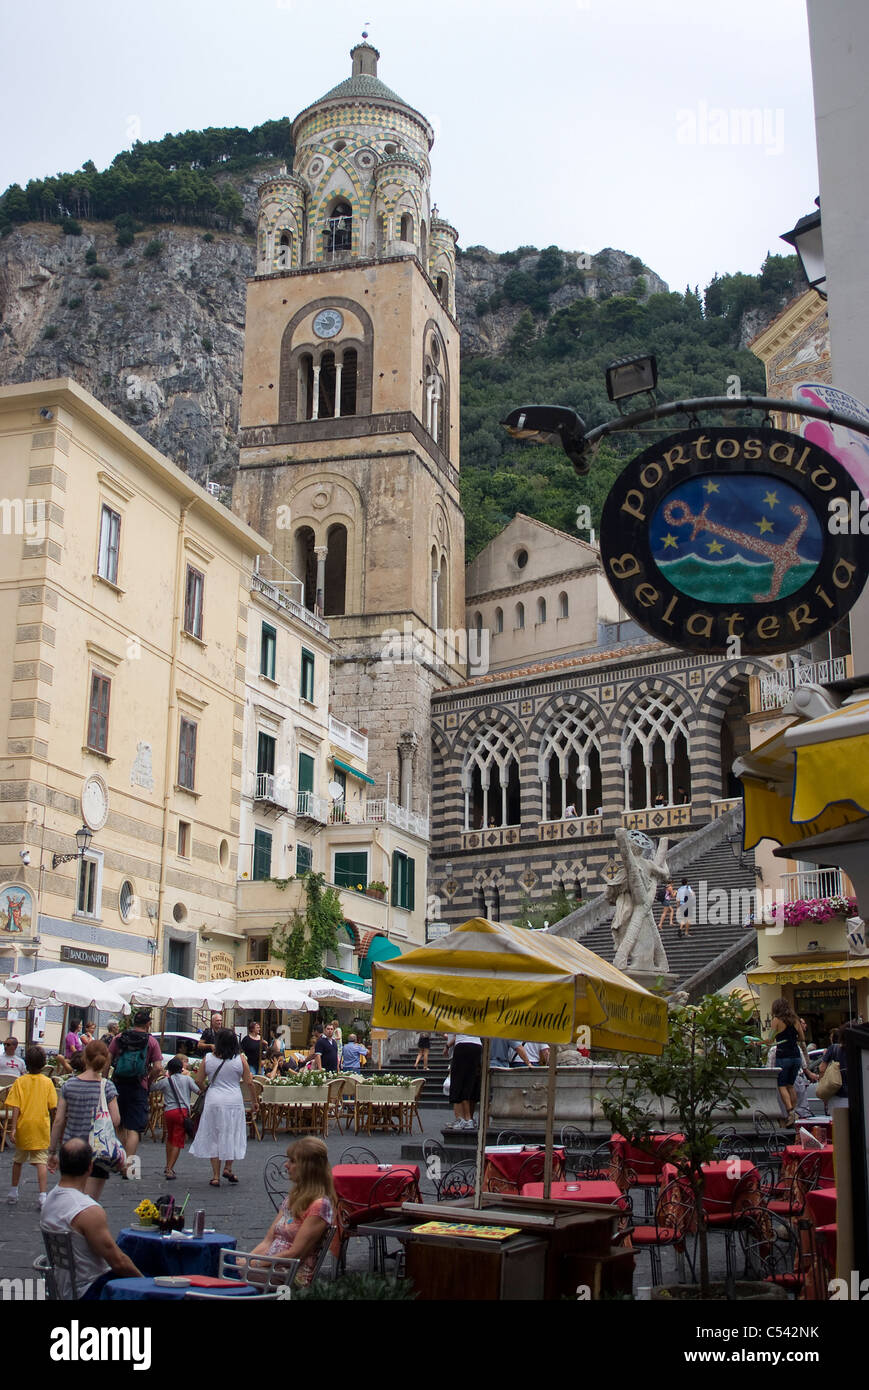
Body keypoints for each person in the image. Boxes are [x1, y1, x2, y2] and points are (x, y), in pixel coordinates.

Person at [41, 1139, 142, 1299]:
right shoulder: (87, 1210)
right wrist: (146, 1284)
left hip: (63, 1285)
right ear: (90, 1167)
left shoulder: (49, 1201)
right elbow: (118, 1262)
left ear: (60, 1165)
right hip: (90, 1289)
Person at [250, 1137, 336, 1287]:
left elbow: (295, 1254)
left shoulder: (319, 1205)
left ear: (307, 1167)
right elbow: (268, 1241)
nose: (286, 1165)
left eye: (292, 1161)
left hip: (291, 1275)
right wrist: (247, 1260)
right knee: (228, 1268)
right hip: (271, 1266)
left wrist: (254, 1263)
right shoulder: (293, 1198)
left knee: (229, 1274)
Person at [47, 1040, 125, 1198]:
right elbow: (116, 1120)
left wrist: (52, 1151)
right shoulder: (107, 1086)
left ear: (85, 1058)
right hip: (98, 1151)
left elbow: (59, 1121)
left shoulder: (68, 1086)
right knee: (89, 1204)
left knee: (71, 1202)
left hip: (71, 1150)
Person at [190, 1027, 255, 1186]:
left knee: (214, 1134)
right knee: (232, 1132)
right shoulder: (240, 1059)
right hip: (233, 1099)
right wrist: (255, 1102)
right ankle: (228, 1167)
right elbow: (249, 1082)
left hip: (214, 1099)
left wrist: (207, 1089)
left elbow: (198, 1080)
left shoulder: (208, 1058)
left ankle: (215, 1176)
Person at [5, 1045, 57, 1207]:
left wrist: (12, 1128)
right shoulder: (48, 1082)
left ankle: (13, 1191)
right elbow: (52, 1106)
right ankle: (42, 1195)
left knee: (18, 1160)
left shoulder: (20, 1082)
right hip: (41, 1126)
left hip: (23, 1126)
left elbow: (16, 1107)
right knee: (41, 1161)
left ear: (26, 1063)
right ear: (43, 1064)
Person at [108, 1011, 162, 1163]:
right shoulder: (151, 1041)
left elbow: (107, 1059)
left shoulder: (119, 1037)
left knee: (119, 1124)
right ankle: (128, 1167)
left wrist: (106, 1080)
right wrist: (149, 1080)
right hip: (138, 1086)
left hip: (118, 1084)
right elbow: (158, 1067)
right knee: (134, 1129)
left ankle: (120, 1160)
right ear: (148, 1024)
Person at [151, 1055, 200, 1179]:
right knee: (177, 1141)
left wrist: (155, 1075)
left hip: (168, 1111)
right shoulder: (187, 1080)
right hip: (182, 1112)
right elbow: (199, 1091)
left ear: (170, 1070)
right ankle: (170, 1169)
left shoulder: (166, 1081)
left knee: (170, 1138)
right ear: (181, 1069)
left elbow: (152, 1088)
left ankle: (167, 1164)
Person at [766, 997, 808, 1126]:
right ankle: (793, 1112)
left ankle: (790, 1111)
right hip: (796, 1056)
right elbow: (802, 1037)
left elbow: (770, 1040)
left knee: (782, 1084)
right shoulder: (795, 1020)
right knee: (790, 1085)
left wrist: (757, 1042)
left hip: (783, 1055)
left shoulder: (776, 1021)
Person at [445, 1034, 482, 1130]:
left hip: (462, 1045)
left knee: (460, 1082)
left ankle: (466, 1119)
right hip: (477, 1046)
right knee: (472, 1082)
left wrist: (447, 1046)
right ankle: (469, 1118)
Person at [818, 1023, 852, 1113]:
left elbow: (821, 1068)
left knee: (838, 1125)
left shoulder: (834, 1048)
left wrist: (823, 1086)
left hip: (836, 1095)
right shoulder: (859, 1050)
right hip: (857, 1096)